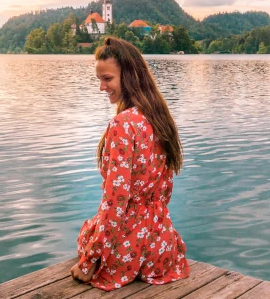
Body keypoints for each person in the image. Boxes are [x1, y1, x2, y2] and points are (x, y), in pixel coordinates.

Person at [71, 36, 189, 290]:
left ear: (130, 76)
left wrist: (89, 259)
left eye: (108, 79)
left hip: (127, 252)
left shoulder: (123, 124)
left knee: (87, 234)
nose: (102, 87)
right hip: (161, 246)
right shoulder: (158, 117)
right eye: (99, 79)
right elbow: (164, 191)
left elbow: (116, 200)